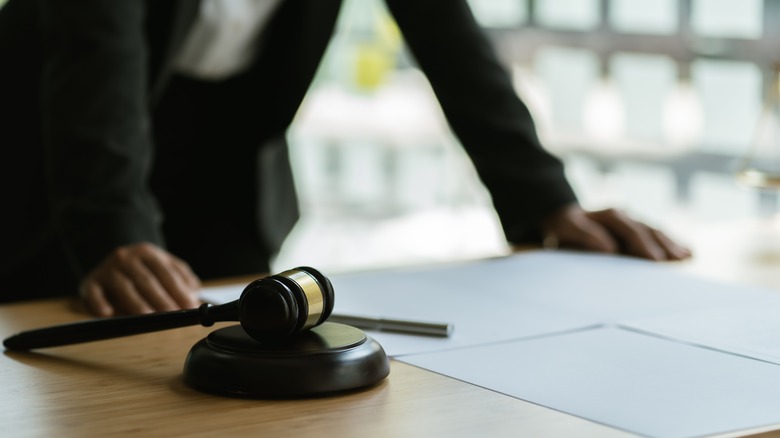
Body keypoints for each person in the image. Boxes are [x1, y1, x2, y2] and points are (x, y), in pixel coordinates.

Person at [0, 0, 690, 317]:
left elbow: (450, 38)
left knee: (222, 366)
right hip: (60, 157)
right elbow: (98, 52)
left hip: (224, 166)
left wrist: (548, 204)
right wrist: (113, 228)